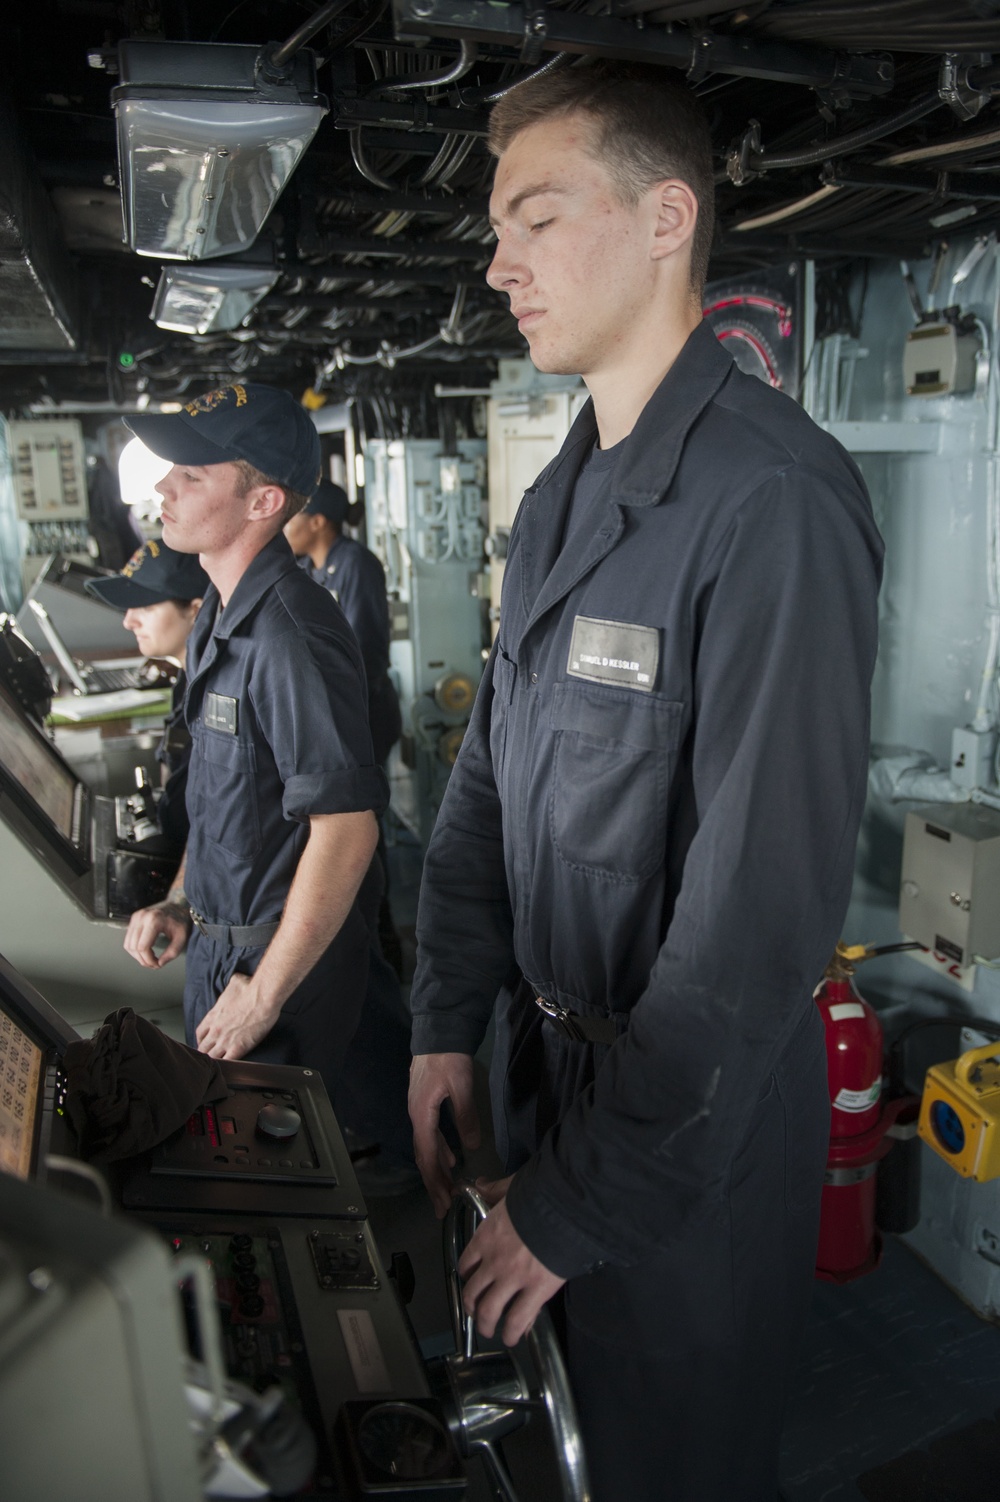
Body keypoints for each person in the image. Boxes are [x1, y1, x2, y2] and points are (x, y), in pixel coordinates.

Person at [406, 63, 883, 1502]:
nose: (498, 265)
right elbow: (488, 788)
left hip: (695, 1125)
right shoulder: (561, 494)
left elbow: (752, 925)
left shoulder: (773, 502)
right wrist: (444, 1020)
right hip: (546, 1077)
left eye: (536, 219)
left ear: (666, 215)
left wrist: (579, 1202)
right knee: (564, 1448)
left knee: (670, 1460)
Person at [121, 383, 389, 1091]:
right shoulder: (217, 614)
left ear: (263, 502)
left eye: (192, 475)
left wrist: (262, 995)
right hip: (216, 950)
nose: (163, 486)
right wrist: (182, 898)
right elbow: (216, 804)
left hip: (276, 976)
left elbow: (346, 831)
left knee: (268, 1188)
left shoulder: (291, 635)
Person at [84, 538, 208, 851]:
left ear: (196, 610)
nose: (128, 621)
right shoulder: (186, 680)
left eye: (146, 607)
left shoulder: (217, 692)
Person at [284, 479, 402, 768]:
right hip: (329, 707)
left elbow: (367, 645)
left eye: (291, 518)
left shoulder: (355, 563)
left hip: (363, 709)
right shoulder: (306, 569)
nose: (284, 527)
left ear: (317, 522)